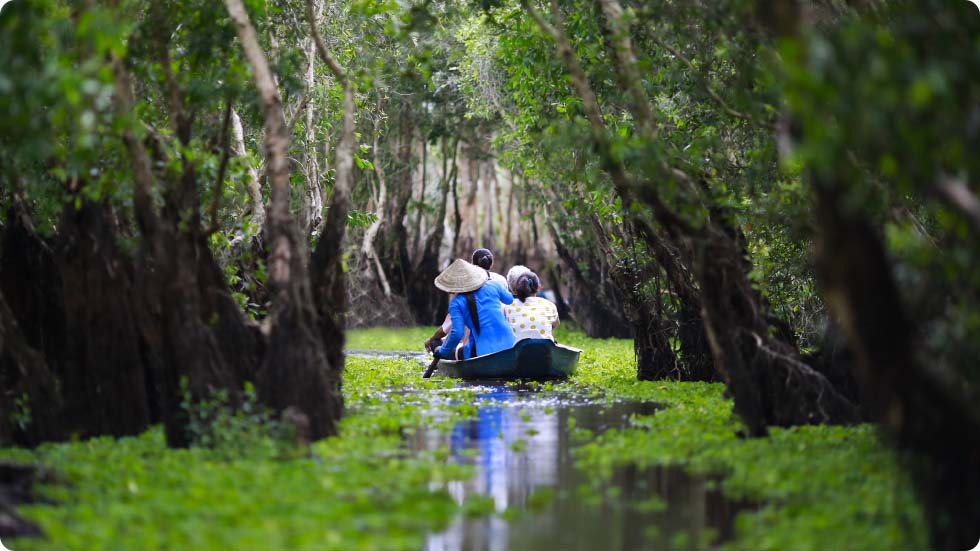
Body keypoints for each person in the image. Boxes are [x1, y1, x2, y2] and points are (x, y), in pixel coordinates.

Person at [424, 248, 508, 354]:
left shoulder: (467, 290)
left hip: (473, 348)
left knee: (436, 342)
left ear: (472, 265)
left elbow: (446, 330)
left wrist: (431, 339)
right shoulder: (501, 280)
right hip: (501, 343)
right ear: (491, 264)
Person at [503, 265, 559, 342]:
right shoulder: (549, 305)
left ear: (513, 289)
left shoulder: (507, 307)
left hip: (518, 349)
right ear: (538, 287)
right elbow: (555, 324)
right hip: (545, 348)